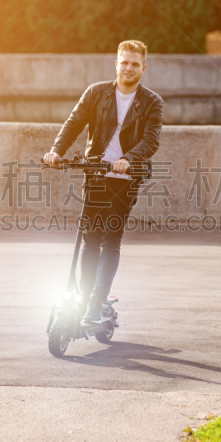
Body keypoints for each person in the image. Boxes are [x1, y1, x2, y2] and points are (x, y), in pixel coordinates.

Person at [43, 40, 164, 326]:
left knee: (110, 240)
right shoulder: (97, 92)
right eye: (124, 62)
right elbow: (74, 122)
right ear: (116, 63)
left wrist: (129, 159)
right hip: (95, 173)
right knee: (90, 240)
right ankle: (84, 299)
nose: (129, 68)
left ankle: (97, 302)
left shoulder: (152, 102)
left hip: (125, 178)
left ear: (143, 68)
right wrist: (57, 151)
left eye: (135, 64)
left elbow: (151, 139)